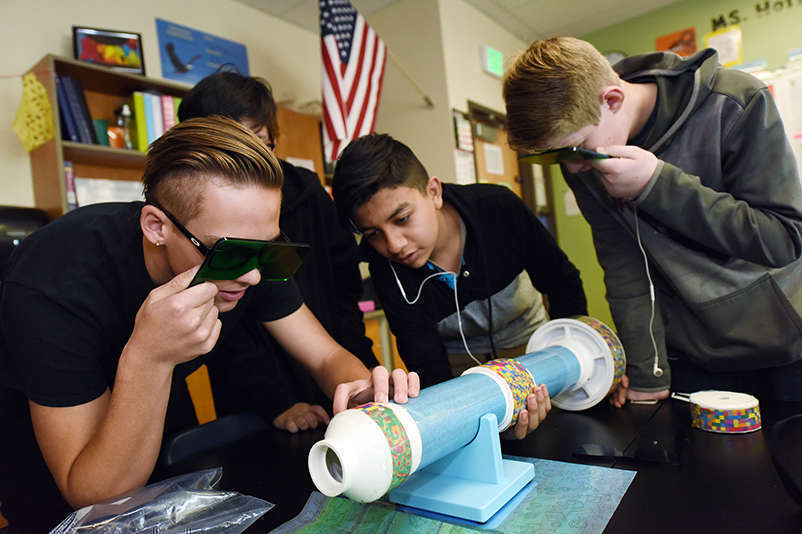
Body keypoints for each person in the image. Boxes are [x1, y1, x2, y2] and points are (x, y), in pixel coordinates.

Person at [0, 116, 418, 509]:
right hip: (51, 450)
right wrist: (149, 356)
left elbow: (325, 356)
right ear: (156, 227)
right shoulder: (54, 281)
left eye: (266, 247)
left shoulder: (242, 254)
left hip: (151, 416)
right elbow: (92, 492)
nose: (254, 276)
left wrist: (364, 391)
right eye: (233, 253)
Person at [502, 37, 802, 406]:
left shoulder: (736, 100)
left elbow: (783, 240)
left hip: (784, 346)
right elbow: (625, 269)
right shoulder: (582, 160)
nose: (572, 167)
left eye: (574, 149)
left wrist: (657, 185)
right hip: (689, 356)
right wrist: (647, 374)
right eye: (551, 158)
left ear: (612, 100)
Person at [332, 133, 589, 438]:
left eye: (402, 219)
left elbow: (562, 282)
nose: (394, 245)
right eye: (373, 233)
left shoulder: (499, 208)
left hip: (535, 355)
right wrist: (483, 421)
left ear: (434, 192)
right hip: (459, 381)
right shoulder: (386, 269)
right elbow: (428, 366)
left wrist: (575, 361)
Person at [178, 71, 376, 433]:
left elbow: (343, 289)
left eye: (262, 145)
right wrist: (275, 400)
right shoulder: (191, 230)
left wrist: (358, 373)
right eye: (237, 149)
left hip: (327, 358)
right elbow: (222, 328)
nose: (252, 162)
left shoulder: (306, 191)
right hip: (255, 397)